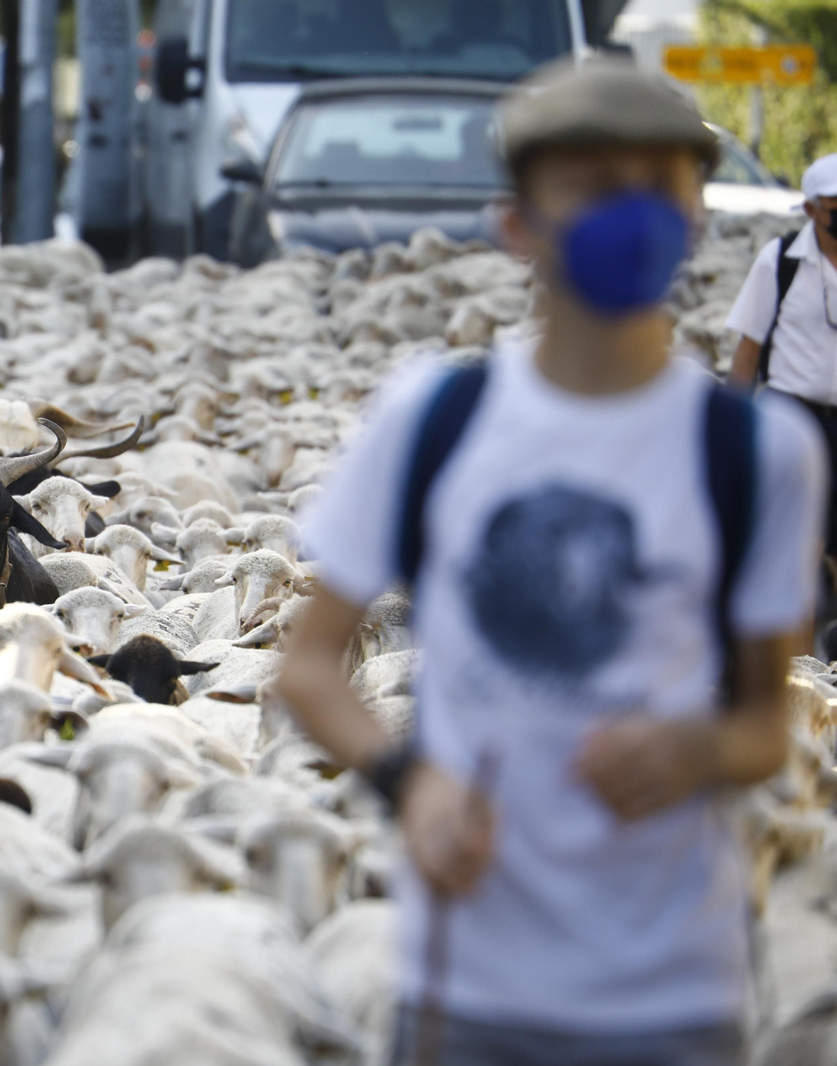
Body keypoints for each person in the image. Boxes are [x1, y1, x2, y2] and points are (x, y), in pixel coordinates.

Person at [277, 60, 824, 1066]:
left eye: (658, 185)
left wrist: (696, 749)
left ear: (696, 218)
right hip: (467, 984)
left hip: (674, 994)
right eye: (592, 183)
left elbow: (762, 722)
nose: (632, 213)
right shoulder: (433, 420)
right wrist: (411, 782)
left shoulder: (759, 453)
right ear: (517, 222)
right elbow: (309, 666)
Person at [727, 155, 837, 565]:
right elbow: (749, 348)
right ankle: (800, 627)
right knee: (796, 542)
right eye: (835, 206)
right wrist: (732, 428)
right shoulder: (780, 262)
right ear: (811, 209)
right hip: (792, 414)